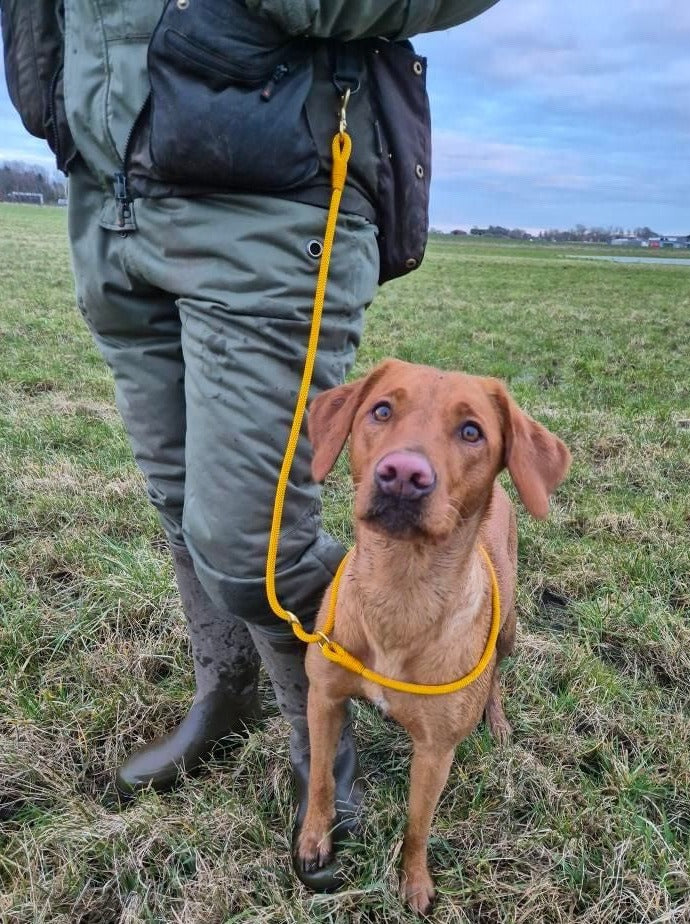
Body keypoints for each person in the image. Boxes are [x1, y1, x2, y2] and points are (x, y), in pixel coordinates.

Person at [1, 0, 500, 890]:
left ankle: (329, 734)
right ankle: (222, 690)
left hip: (266, 208)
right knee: (179, 502)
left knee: (248, 540)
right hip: (108, 204)